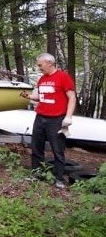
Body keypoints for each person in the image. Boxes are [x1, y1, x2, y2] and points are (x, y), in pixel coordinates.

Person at [20, 53, 76, 189]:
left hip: (56, 119)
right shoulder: (42, 79)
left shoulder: (63, 77)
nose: (39, 68)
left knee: (58, 150)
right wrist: (28, 96)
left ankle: (59, 179)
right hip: (40, 117)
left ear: (49, 63)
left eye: (40, 65)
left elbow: (72, 97)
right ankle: (36, 174)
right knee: (36, 148)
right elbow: (40, 97)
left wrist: (68, 117)